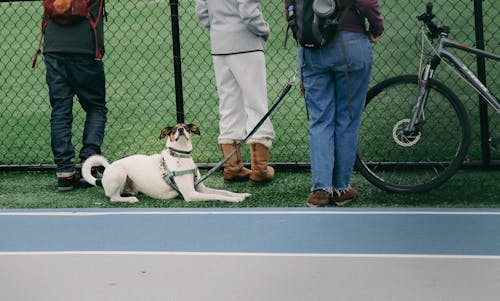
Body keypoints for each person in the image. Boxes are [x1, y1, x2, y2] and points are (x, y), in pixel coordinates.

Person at [289, 0, 384, 206]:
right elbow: (368, 3)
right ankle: (341, 188)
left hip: (311, 46)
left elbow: (291, 8)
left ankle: (320, 190)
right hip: (350, 43)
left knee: (320, 120)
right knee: (347, 119)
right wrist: (377, 28)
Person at [195, 0, 276, 186]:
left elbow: (201, 10)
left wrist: (219, 29)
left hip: (220, 44)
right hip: (247, 42)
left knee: (229, 105)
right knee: (256, 103)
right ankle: (260, 169)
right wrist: (263, 30)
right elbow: (248, 11)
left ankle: (232, 167)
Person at [41, 0, 107, 191]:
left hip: (53, 48)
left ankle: (64, 171)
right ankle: (90, 166)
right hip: (85, 49)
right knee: (96, 107)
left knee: (60, 110)